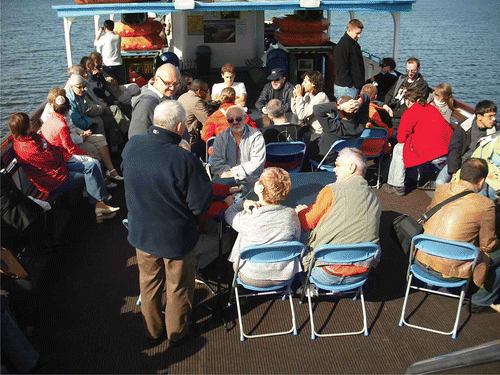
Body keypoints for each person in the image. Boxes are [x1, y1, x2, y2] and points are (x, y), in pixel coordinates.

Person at [122, 101, 213, 346]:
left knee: (149, 284)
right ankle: (177, 333)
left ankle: (152, 332)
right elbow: (199, 206)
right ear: (180, 125)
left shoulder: (132, 146)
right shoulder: (183, 159)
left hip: (141, 233)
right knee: (178, 287)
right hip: (176, 239)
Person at [417, 158, 499, 313]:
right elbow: (487, 245)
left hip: (420, 260)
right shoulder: (485, 205)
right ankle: (480, 301)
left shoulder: (441, 189)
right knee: (496, 253)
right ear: (481, 182)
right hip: (451, 273)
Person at [10, 113, 119, 223]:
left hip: (59, 168)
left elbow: (52, 151)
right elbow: (52, 159)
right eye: (29, 122)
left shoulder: (32, 137)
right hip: (53, 180)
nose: (31, 123)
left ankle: (100, 205)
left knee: (92, 165)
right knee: (91, 172)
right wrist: (54, 153)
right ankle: (101, 205)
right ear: (24, 127)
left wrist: (54, 153)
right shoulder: (27, 149)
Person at [295, 148, 381, 285]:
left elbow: (306, 223)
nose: (335, 170)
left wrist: (301, 211)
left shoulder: (332, 190)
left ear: (351, 168)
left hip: (326, 272)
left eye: (338, 165)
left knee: (295, 231)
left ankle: (302, 283)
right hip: (361, 274)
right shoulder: (374, 197)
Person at [225, 167, 301, 287]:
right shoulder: (291, 215)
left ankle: (236, 289)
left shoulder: (249, 216)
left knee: (242, 235)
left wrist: (242, 203)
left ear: (260, 188)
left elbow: (229, 215)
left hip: (252, 276)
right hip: (284, 275)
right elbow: (297, 238)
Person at [41, 87, 123, 182]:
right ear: (54, 102)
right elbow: (66, 140)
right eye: (62, 98)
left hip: (75, 137)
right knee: (93, 148)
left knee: (100, 139)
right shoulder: (49, 117)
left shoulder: (62, 111)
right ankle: (99, 181)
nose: (65, 100)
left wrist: (82, 132)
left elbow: (72, 126)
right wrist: (82, 137)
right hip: (67, 147)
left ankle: (111, 170)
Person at [383, 87, 453, 196]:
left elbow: (401, 138)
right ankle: (414, 177)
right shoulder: (431, 107)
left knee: (398, 148)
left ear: (407, 101)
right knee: (413, 145)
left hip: (434, 153)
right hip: (447, 149)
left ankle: (398, 185)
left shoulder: (410, 112)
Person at [436, 100, 498, 187]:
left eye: (494, 116)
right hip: (458, 162)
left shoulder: (494, 134)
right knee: (439, 183)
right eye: (490, 116)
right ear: (479, 117)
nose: (494, 119)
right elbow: (454, 149)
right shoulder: (464, 127)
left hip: (475, 167)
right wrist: (454, 172)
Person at [66, 74, 125, 152]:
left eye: (83, 86)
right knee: (99, 122)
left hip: (84, 120)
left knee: (109, 120)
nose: (82, 89)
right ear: (72, 87)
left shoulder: (80, 97)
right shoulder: (71, 102)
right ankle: (105, 147)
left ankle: (114, 144)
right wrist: (90, 121)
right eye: (79, 87)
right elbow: (76, 121)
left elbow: (82, 114)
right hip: (76, 128)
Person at [210, 105, 266, 181]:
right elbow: (215, 163)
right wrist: (227, 173)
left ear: (245, 118)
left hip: (249, 179)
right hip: (225, 178)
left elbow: (257, 163)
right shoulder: (221, 137)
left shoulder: (256, 136)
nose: (235, 122)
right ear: (227, 121)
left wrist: (233, 173)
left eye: (238, 119)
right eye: (231, 120)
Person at [308, 94, 368, 165]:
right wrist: (357, 103)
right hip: (345, 159)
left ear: (340, 112)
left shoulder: (335, 127)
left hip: (327, 160)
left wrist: (340, 106)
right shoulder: (360, 126)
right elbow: (366, 97)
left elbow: (316, 108)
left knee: (307, 138)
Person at [128, 63, 180, 139]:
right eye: (168, 83)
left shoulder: (167, 97)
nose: (172, 88)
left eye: (176, 84)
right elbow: (136, 139)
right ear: (156, 79)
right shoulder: (146, 103)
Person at [384, 57, 429, 122]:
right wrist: (385, 104)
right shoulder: (402, 79)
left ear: (419, 69)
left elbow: (414, 105)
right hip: (392, 107)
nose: (410, 73)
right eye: (407, 71)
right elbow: (390, 93)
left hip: (403, 116)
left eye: (413, 71)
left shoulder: (422, 85)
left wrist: (393, 114)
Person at [291, 70, 330, 142]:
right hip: (310, 128)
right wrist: (295, 98)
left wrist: (299, 96)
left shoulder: (320, 97)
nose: (302, 84)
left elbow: (301, 116)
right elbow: (296, 111)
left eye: (305, 82)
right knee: (293, 133)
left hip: (319, 133)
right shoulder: (308, 95)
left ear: (314, 84)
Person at [333, 19, 365, 99]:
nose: (359, 36)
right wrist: (351, 85)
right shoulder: (342, 47)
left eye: (360, 33)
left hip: (353, 87)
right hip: (346, 88)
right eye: (357, 33)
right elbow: (341, 68)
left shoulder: (354, 44)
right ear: (349, 30)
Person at [177, 79, 210, 153]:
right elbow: (207, 121)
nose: (207, 94)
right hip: (191, 138)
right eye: (206, 91)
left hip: (181, 136)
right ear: (199, 91)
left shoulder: (182, 96)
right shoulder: (196, 101)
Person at [360, 83, 394, 150]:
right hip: (378, 149)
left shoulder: (354, 109)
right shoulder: (382, 112)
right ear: (375, 97)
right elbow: (390, 133)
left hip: (358, 147)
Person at [94, 20, 127, 85]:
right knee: (121, 84)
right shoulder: (118, 37)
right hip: (118, 63)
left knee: (109, 84)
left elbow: (95, 43)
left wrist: (100, 32)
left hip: (108, 65)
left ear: (105, 28)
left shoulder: (105, 37)